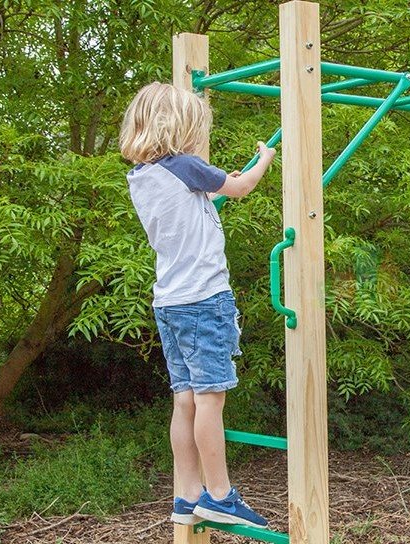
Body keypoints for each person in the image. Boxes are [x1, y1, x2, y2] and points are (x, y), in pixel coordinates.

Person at [119, 82, 277, 528]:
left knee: (184, 400)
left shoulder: (144, 176)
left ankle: (187, 495)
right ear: (179, 128)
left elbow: (200, 201)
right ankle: (221, 495)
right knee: (211, 401)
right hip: (205, 301)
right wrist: (265, 158)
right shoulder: (186, 166)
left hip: (169, 303)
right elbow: (241, 186)